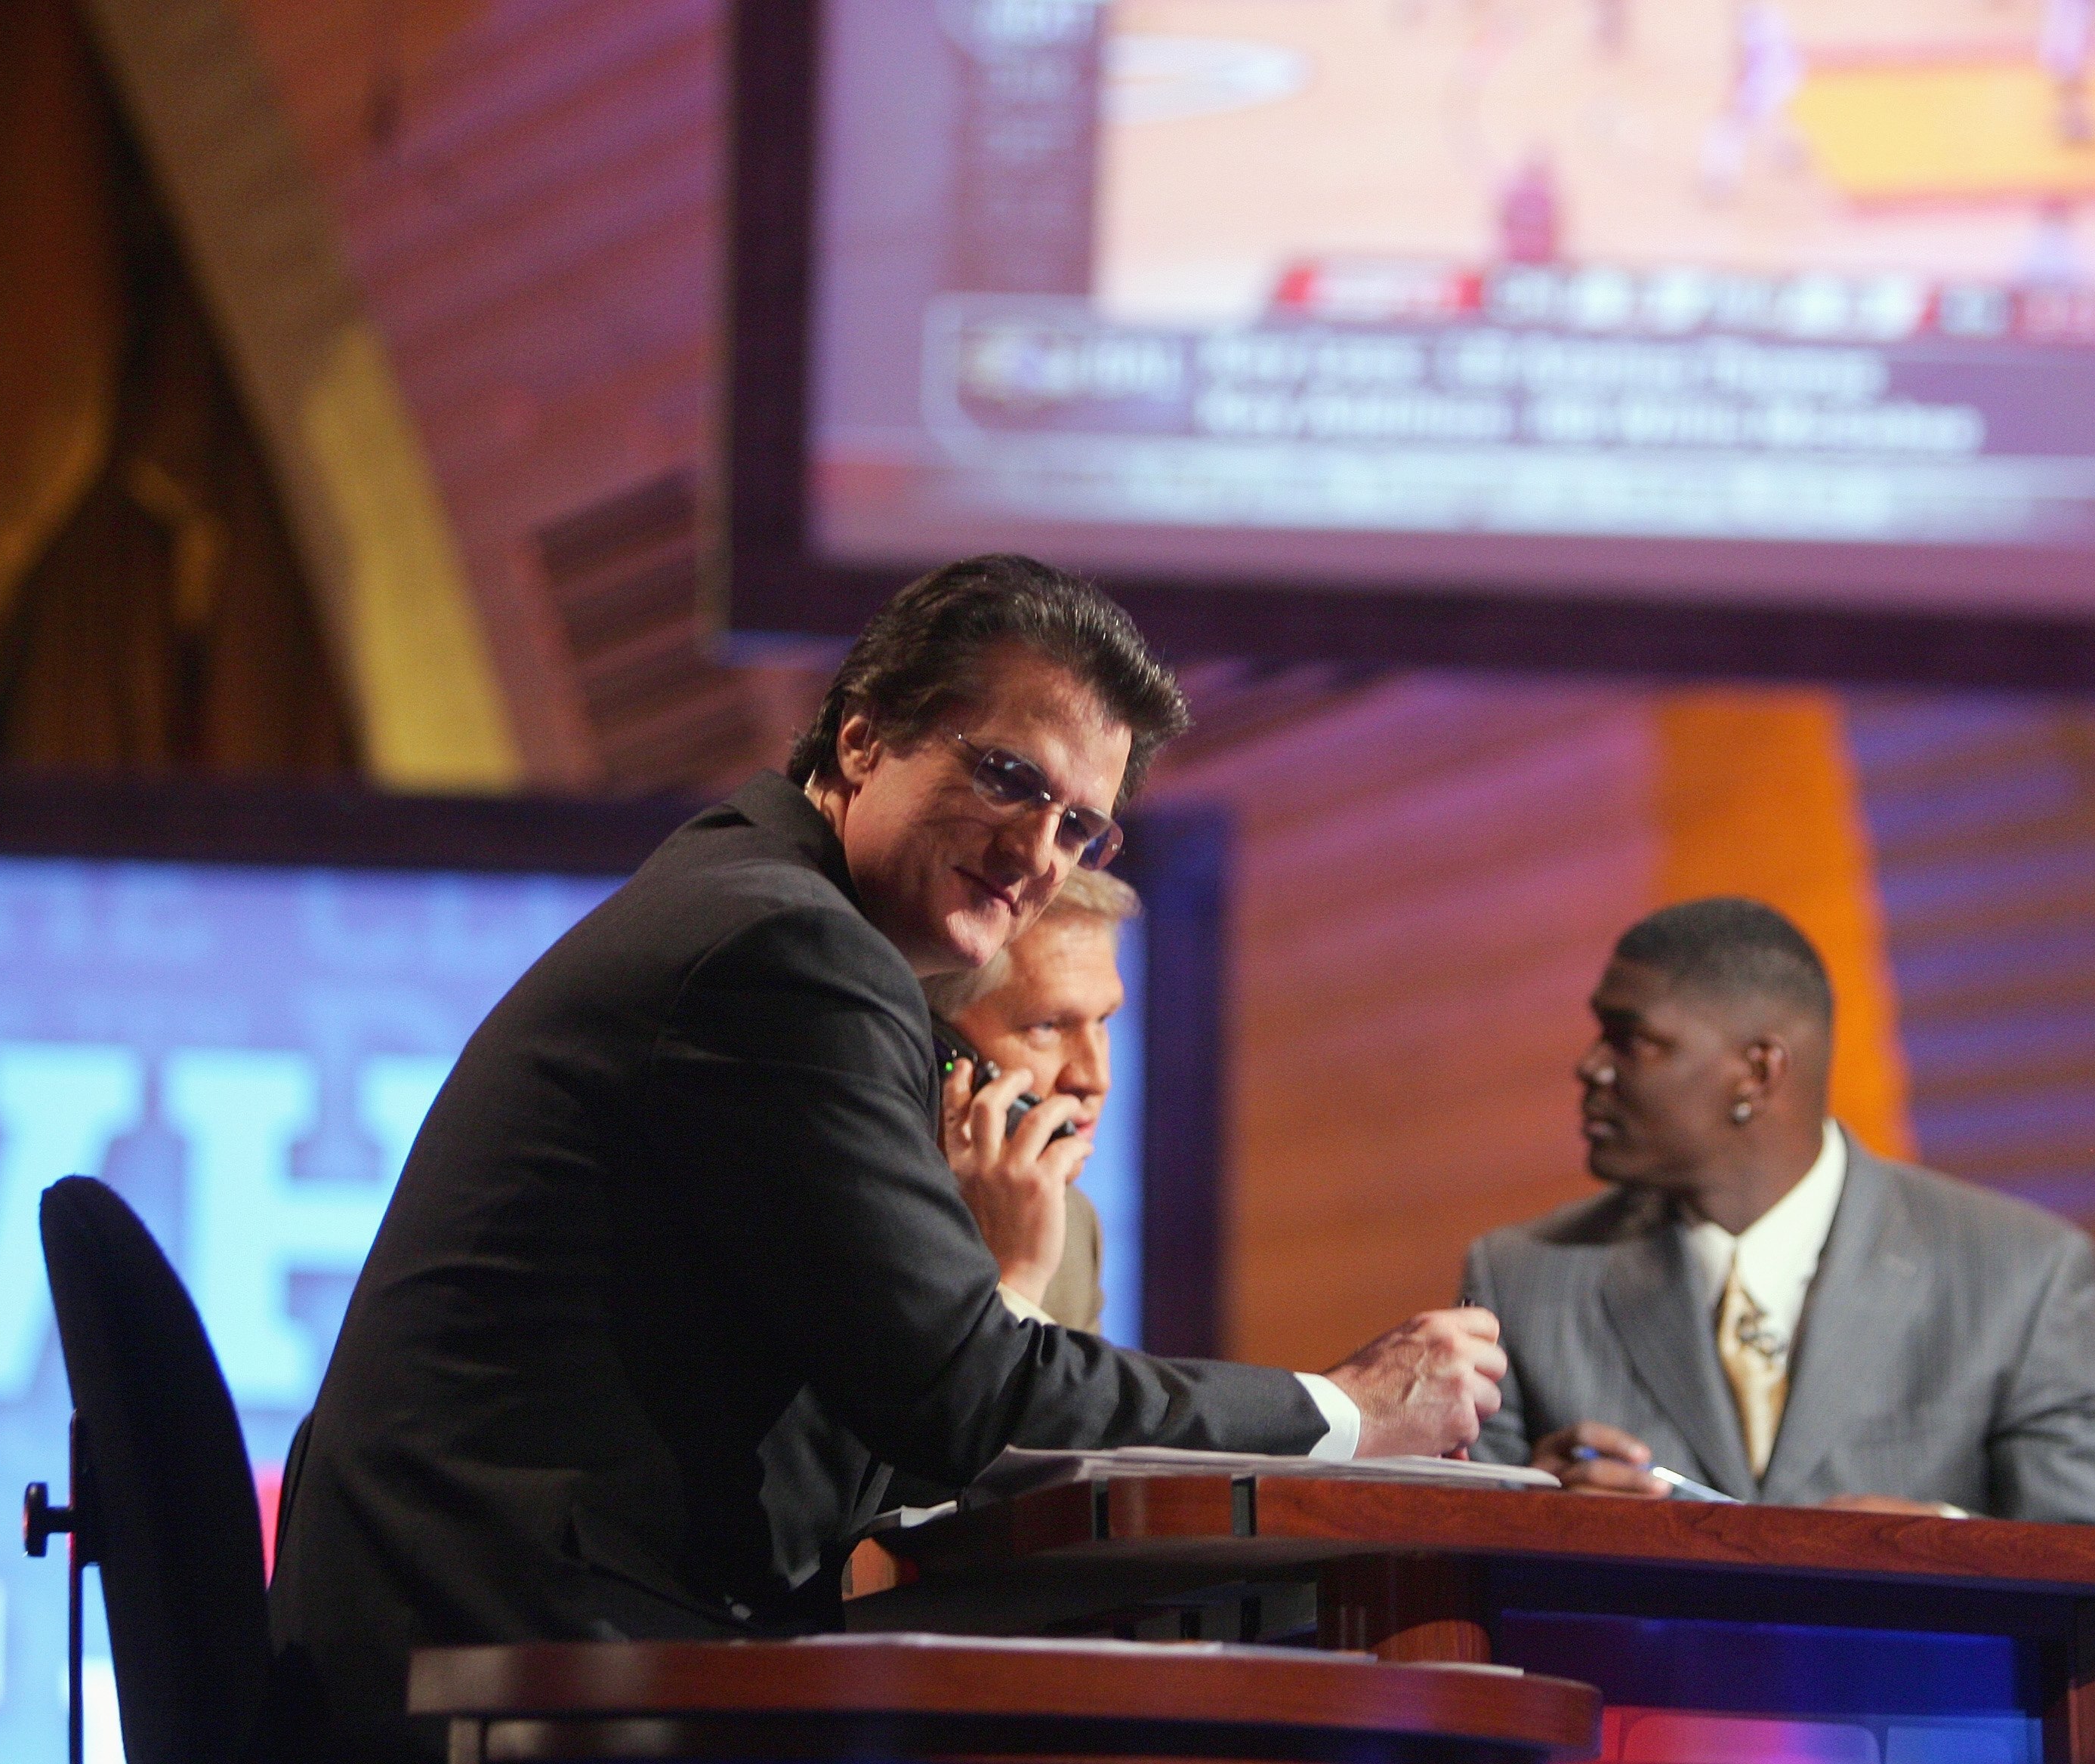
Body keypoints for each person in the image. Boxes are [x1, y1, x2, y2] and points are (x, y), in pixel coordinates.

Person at [270, 554, 1507, 1760]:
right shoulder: (786, 948)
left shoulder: (755, 895)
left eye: (1082, 827)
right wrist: (1345, 1408)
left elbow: (898, 1418)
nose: (1037, 857)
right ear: (862, 740)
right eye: (1007, 779)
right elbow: (958, 1399)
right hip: (516, 1658)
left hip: (506, 1632)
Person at [1462, 897, 2095, 1526]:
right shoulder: (1524, 1278)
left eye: (1631, 1040)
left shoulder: (2019, 1273)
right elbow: (1452, 1570)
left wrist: (1946, 1540)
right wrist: (1538, 1520)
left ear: (1759, 1072)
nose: (1591, 1068)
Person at [926, 863, 1139, 1334]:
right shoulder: (861, 1209)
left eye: (1102, 1022)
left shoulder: (1071, 1222)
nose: (1095, 1077)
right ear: (941, 1044)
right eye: (1046, 1026)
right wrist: (1015, 1277)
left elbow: (1080, 1410)